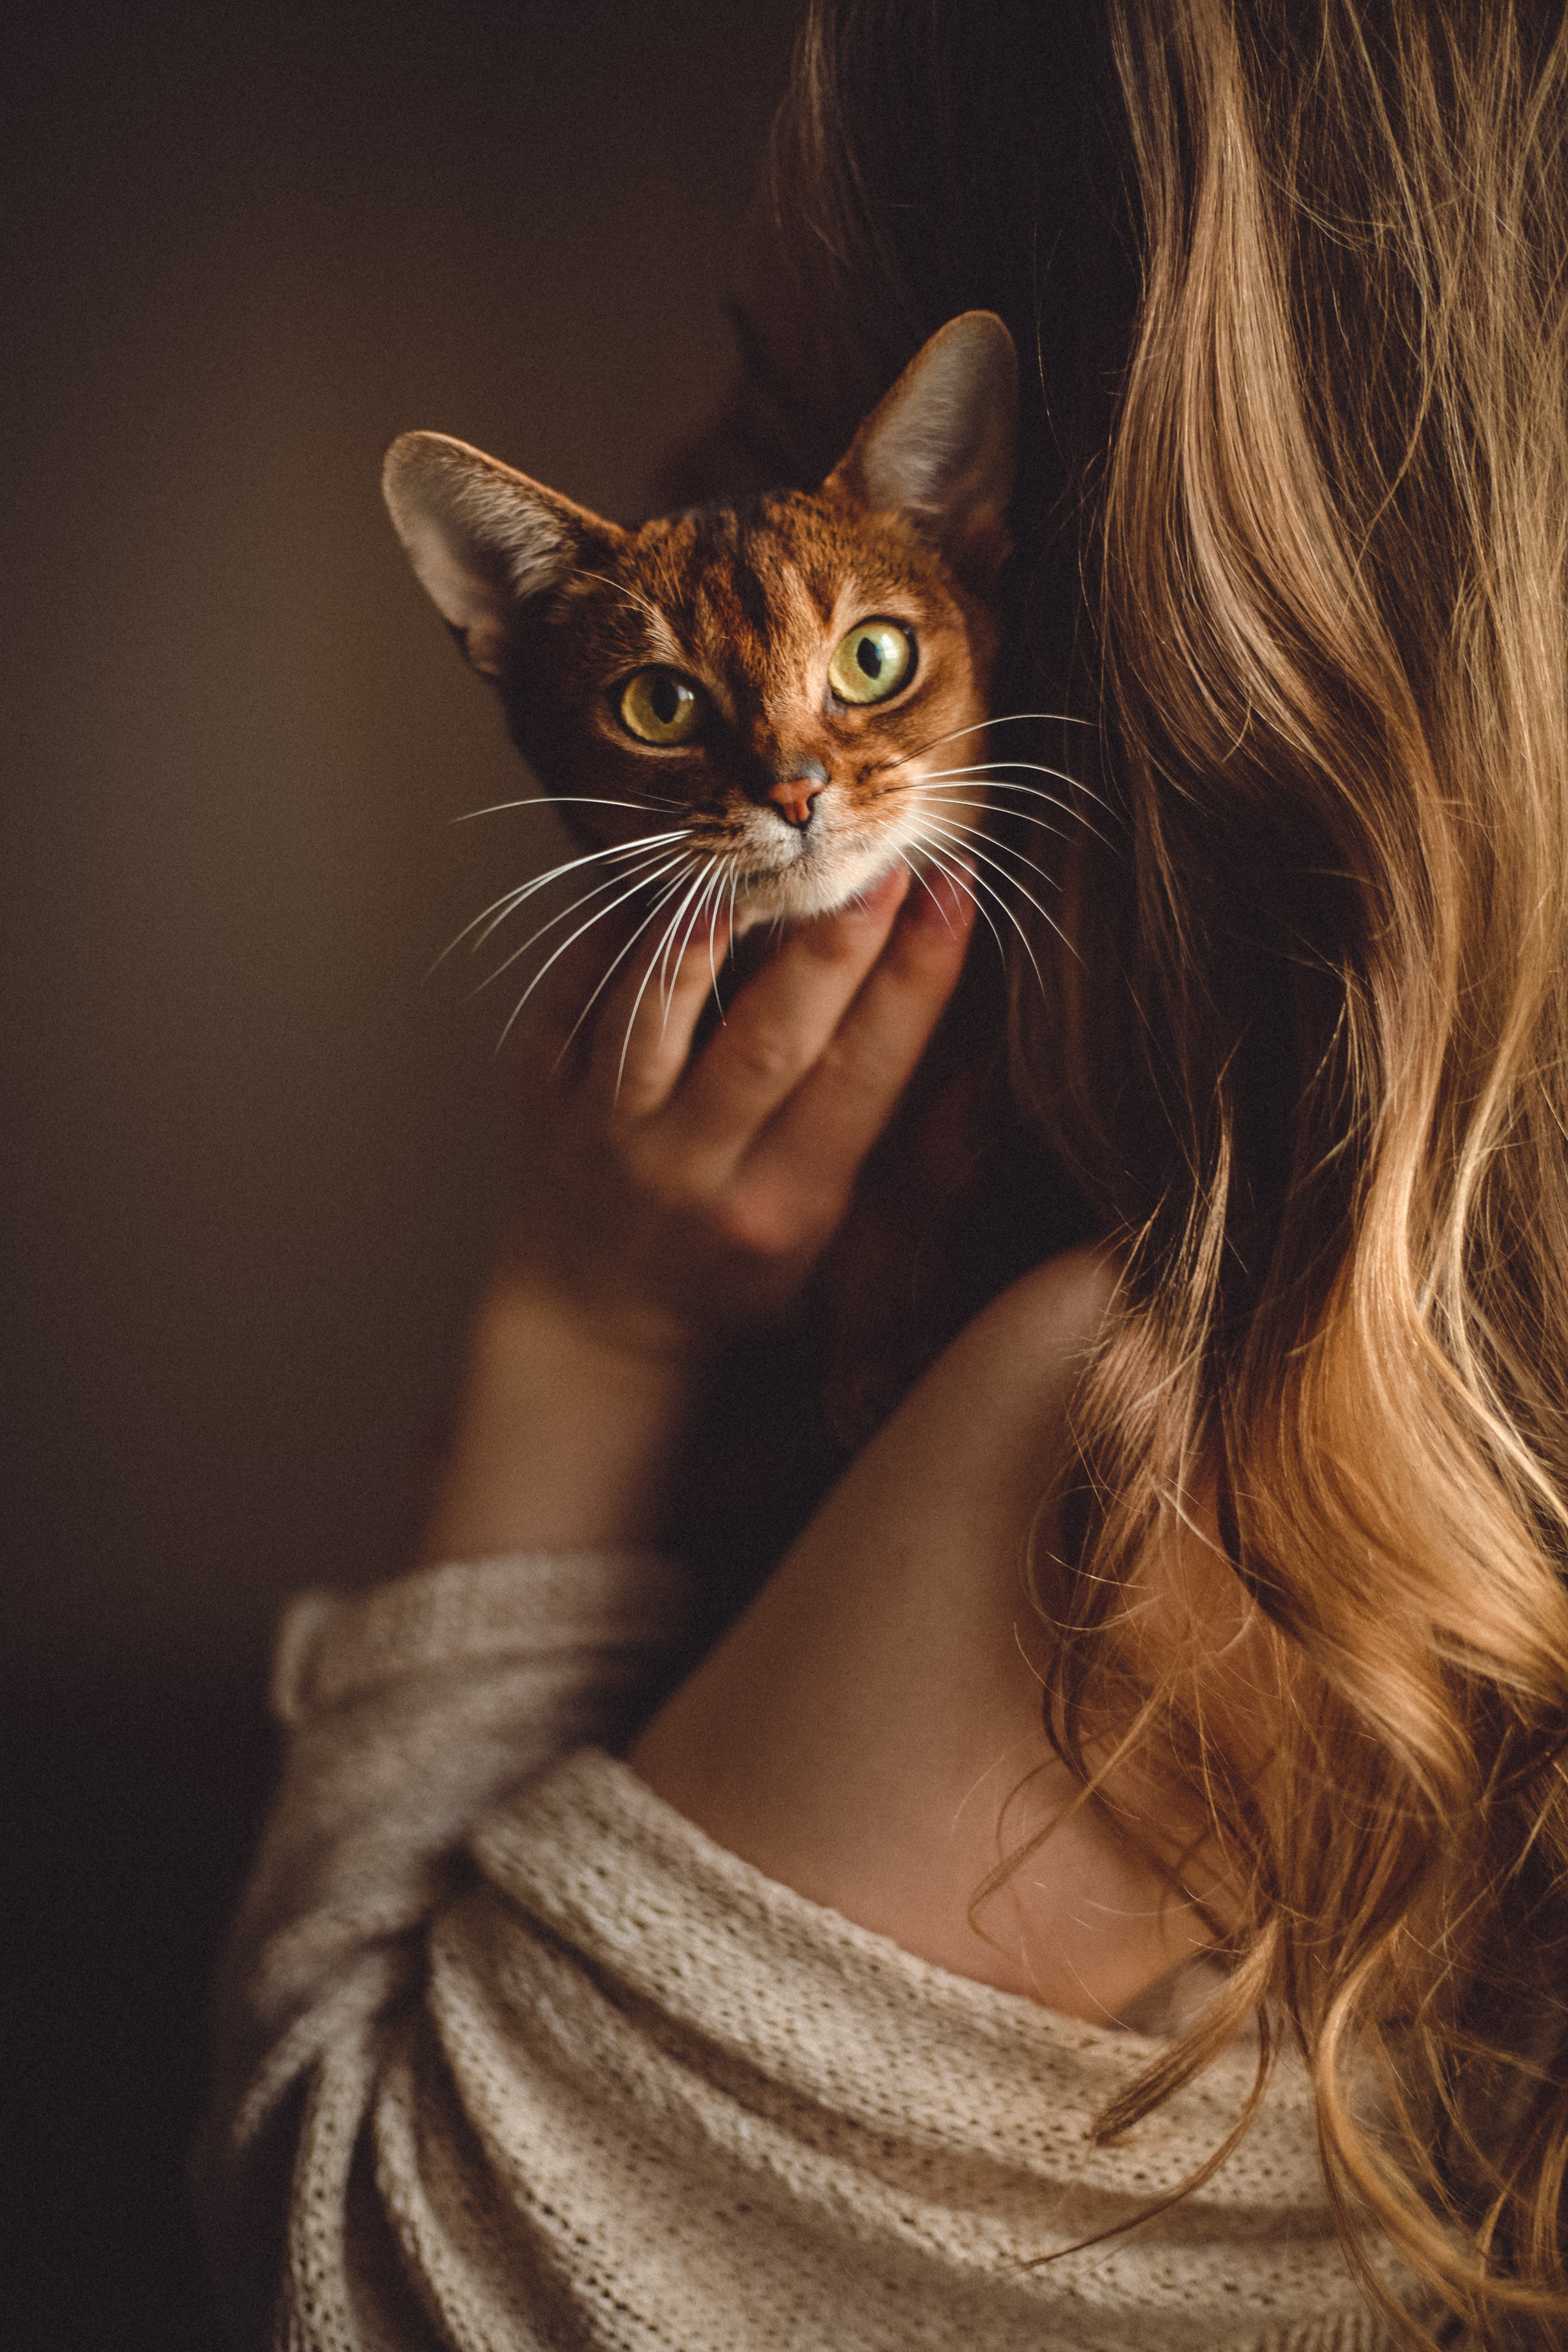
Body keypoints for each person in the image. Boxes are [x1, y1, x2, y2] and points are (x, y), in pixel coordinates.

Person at [197, 2, 1568, 2345]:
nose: (791, 767)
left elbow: (356, 2271)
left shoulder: (1160, 1435)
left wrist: (578, 1331)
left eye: (780, 391)